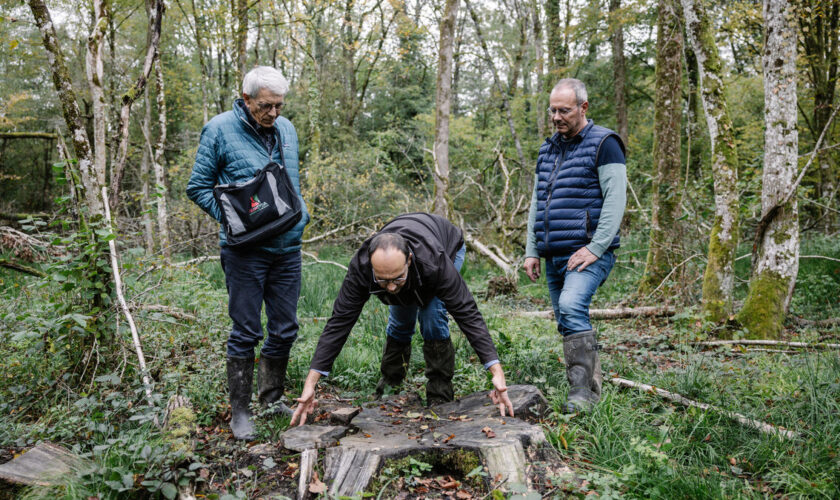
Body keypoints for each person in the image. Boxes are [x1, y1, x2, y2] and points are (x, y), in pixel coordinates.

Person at [290, 213, 514, 426]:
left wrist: (496, 371)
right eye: (382, 280)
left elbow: (467, 313)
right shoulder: (362, 267)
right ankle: (390, 385)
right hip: (409, 254)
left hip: (446, 243)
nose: (390, 287)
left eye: (396, 279)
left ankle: (439, 391)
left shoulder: (434, 263)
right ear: (371, 264)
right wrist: (311, 383)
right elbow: (340, 321)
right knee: (400, 319)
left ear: (408, 259)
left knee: (432, 315)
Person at [186, 66, 310, 440]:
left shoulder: (286, 129)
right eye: (265, 106)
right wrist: (234, 220)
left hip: (287, 248)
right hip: (245, 253)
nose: (273, 114)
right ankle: (240, 413)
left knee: (285, 327)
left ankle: (271, 398)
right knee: (246, 330)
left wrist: (301, 214)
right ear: (246, 99)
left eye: (279, 106)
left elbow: (291, 182)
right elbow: (197, 187)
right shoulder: (219, 129)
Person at [523, 78, 627, 413]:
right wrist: (531, 249)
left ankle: (584, 395)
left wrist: (597, 247)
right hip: (553, 253)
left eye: (564, 110)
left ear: (583, 107)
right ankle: (585, 384)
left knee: (570, 306)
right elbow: (538, 203)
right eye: (552, 109)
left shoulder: (605, 143)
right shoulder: (547, 148)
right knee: (565, 319)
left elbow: (616, 200)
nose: (556, 116)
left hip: (587, 252)